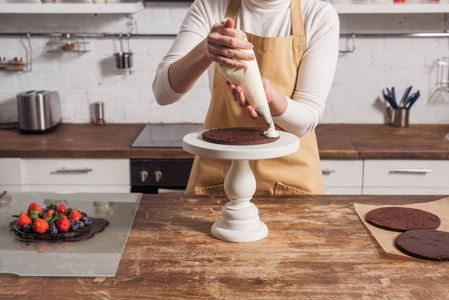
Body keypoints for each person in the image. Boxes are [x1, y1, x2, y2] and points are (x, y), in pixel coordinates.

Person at [153, 0, 340, 195]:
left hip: (291, 180)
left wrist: (265, 96)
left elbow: (306, 121)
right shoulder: (211, 6)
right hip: (219, 175)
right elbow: (162, 93)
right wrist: (204, 50)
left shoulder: (318, 15)